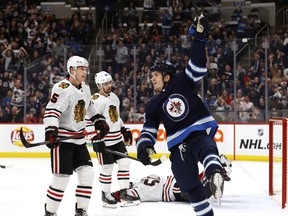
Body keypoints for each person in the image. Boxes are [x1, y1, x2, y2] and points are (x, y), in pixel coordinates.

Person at [135, 15, 225, 216]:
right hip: (177, 146)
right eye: (151, 76)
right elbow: (149, 130)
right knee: (189, 185)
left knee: (206, 148)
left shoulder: (182, 80)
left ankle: (215, 173)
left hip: (197, 132)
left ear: (166, 76)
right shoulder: (153, 104)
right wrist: (144, 146)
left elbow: (198, 64)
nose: (152, 79)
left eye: (155, 75)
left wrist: (199, 39)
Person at [43, 56, 109, 216]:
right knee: (62, 178)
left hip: (79, 140)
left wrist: (98, 120)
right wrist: (51, 130)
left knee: (87, 174)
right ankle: (50, 212)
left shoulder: (85, 88)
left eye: (86, 69)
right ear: (72, 70)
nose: (85, 72)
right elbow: (52, 111)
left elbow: (90, 107)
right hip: (63, 142)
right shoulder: (62, 88)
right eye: (82, 69)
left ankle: (81, 211)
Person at [91, 71, 140, 208]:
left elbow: (116, 117)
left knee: (124, 163)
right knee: (107, 167)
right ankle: (105, 195)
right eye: (105, 84)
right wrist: (96, 139)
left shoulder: (114, 97)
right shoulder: (95, 101)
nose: (108, 85)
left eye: (109, 83)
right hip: (104, 141)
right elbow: (89, 122)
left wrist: (123, 129)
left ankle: (124, 192)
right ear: (99, 85)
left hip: (117, 139)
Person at [112, 154, 232, 203]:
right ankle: (214, 168)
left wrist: (113, 196)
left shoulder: (137, 190)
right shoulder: (144, 179)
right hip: (175, 180)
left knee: (198, 196)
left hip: (171, 191)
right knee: (195, 183)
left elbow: (124, 195)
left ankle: (217, 171)